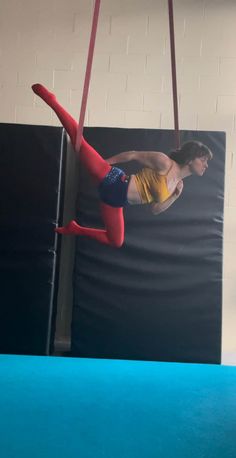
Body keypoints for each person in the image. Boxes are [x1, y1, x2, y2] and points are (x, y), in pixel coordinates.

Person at [32, 83, 213, 248]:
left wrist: (175, 196)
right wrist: (104, 164)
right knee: (79, 141)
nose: (206, 165)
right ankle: (51, 100)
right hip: (113, 180)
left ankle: (76, 228)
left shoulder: (178, 185)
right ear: (191, 159)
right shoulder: (165, 163)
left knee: (116, 241)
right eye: (203, 159)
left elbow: (155, 209)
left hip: (116, 201)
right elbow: (132, 154)